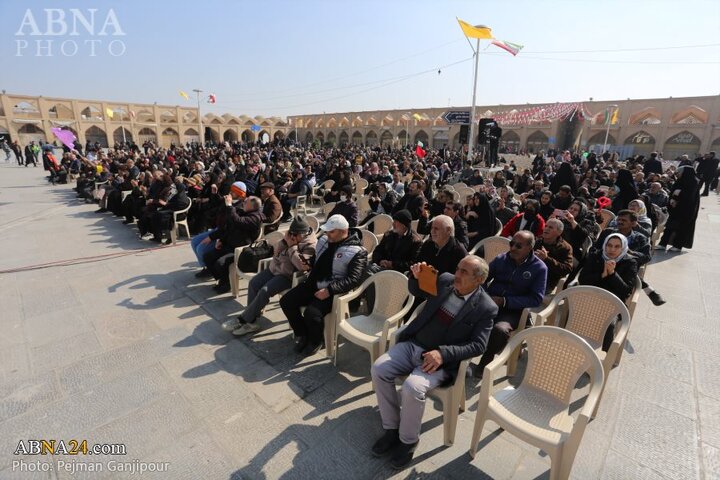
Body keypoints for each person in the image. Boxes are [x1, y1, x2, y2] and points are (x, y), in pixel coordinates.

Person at [370, 256, 497, 469]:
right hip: (413, 344)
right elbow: (417, 291)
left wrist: (443, 353)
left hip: (440, 362)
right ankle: (391, 428)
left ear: (479, 280)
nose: (457, 274)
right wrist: (415, 277)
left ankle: (408, 441)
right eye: (458, 268)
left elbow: (478, 345)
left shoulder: (486, 307)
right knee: (379, 368)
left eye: (464, 272)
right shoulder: (445, 280)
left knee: (412, 387)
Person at [279, 215, 368, 356]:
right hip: (313, 282)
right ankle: (303, 334)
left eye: (331, 232)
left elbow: (353, 279)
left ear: (342, 231)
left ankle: (316, 340)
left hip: (334, 290)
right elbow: (316, 260)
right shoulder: (324, 241)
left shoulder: (358, 251)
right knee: (286, 301)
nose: (327, 234)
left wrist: (329, 290)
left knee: (311, 313)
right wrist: (307, 262)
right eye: (327, 231)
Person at [222, 216, 318, 336]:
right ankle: (252, 321)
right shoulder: (291, 237)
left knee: (264, 291)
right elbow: (276, 252)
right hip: (275, 268)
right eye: (291, 233)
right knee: (254, 283)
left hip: (288, 276)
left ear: (302, 234)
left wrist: (292, 247)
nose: (292, 236)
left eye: (294, 234)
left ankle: (243, 319)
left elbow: (302, 266)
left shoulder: (310, 245)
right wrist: (284, 242)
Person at [475, 231, 547, 376]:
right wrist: (486, 295)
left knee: (500, 330)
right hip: (491, 301)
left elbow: (536, 298)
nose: (512, 248)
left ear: (529, 248)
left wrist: (505, 301)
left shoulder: (539, 268)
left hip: (514, 310)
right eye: (511, 243)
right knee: (465, 314)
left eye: (518, 246)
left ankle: (486, 361)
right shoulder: (502, 259)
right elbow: (482, 278)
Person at [579, 233, 638, 349]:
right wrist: (602, 275)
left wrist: (612, 274)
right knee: (575, 313)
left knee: (609, 324)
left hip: (614, 303)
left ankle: (605, 356)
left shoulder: (630, 263)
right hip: (591, 298)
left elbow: (626, 290)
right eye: (609, 245)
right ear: (605, 245)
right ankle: (570, 345)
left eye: (617, 247)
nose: (612, 249)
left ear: (623, 248)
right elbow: (583, 279)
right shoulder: (595, 256)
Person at [204, 193, 264, 293]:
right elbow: (230, 227)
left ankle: (226, 283)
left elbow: (237, 221)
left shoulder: (255, 218)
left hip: (240, 250)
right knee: (208, 257)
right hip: (230, 244)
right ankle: (223, 279)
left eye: (246, 202)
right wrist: (221, 240)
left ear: (252, 206)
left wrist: (229, 205)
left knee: (220, 263)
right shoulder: (244, 212)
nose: (243, 203)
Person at [658, 165, 701, 251]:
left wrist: (679, 194)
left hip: (686, 210)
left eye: (679, 173)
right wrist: (672, 200)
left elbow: (690, 197)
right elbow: (673, 192)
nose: (677, 174)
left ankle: (678, 246)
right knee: (669, 227)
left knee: (681, 229)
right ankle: (663, 244)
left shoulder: (693, 182)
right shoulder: (680, 181)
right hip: (675, 209)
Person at [369, 210, 422, 274]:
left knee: (368, 271)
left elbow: (413, 264)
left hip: (397, 274)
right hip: (382, 267)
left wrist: (393, 264)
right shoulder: (389, 235)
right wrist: (380, 261)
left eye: (396, 222)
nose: (393, 224)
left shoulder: (416, 241)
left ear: (404, 225)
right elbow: (377, 251)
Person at [534, 218, 574, 293]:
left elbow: (567, 269)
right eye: (546, 226)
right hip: (529, 274)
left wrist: (546, 259)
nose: (546, 229)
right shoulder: (537, 241)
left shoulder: (565, 248)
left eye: (550, 227)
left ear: (559, 232)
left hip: (546, 281)